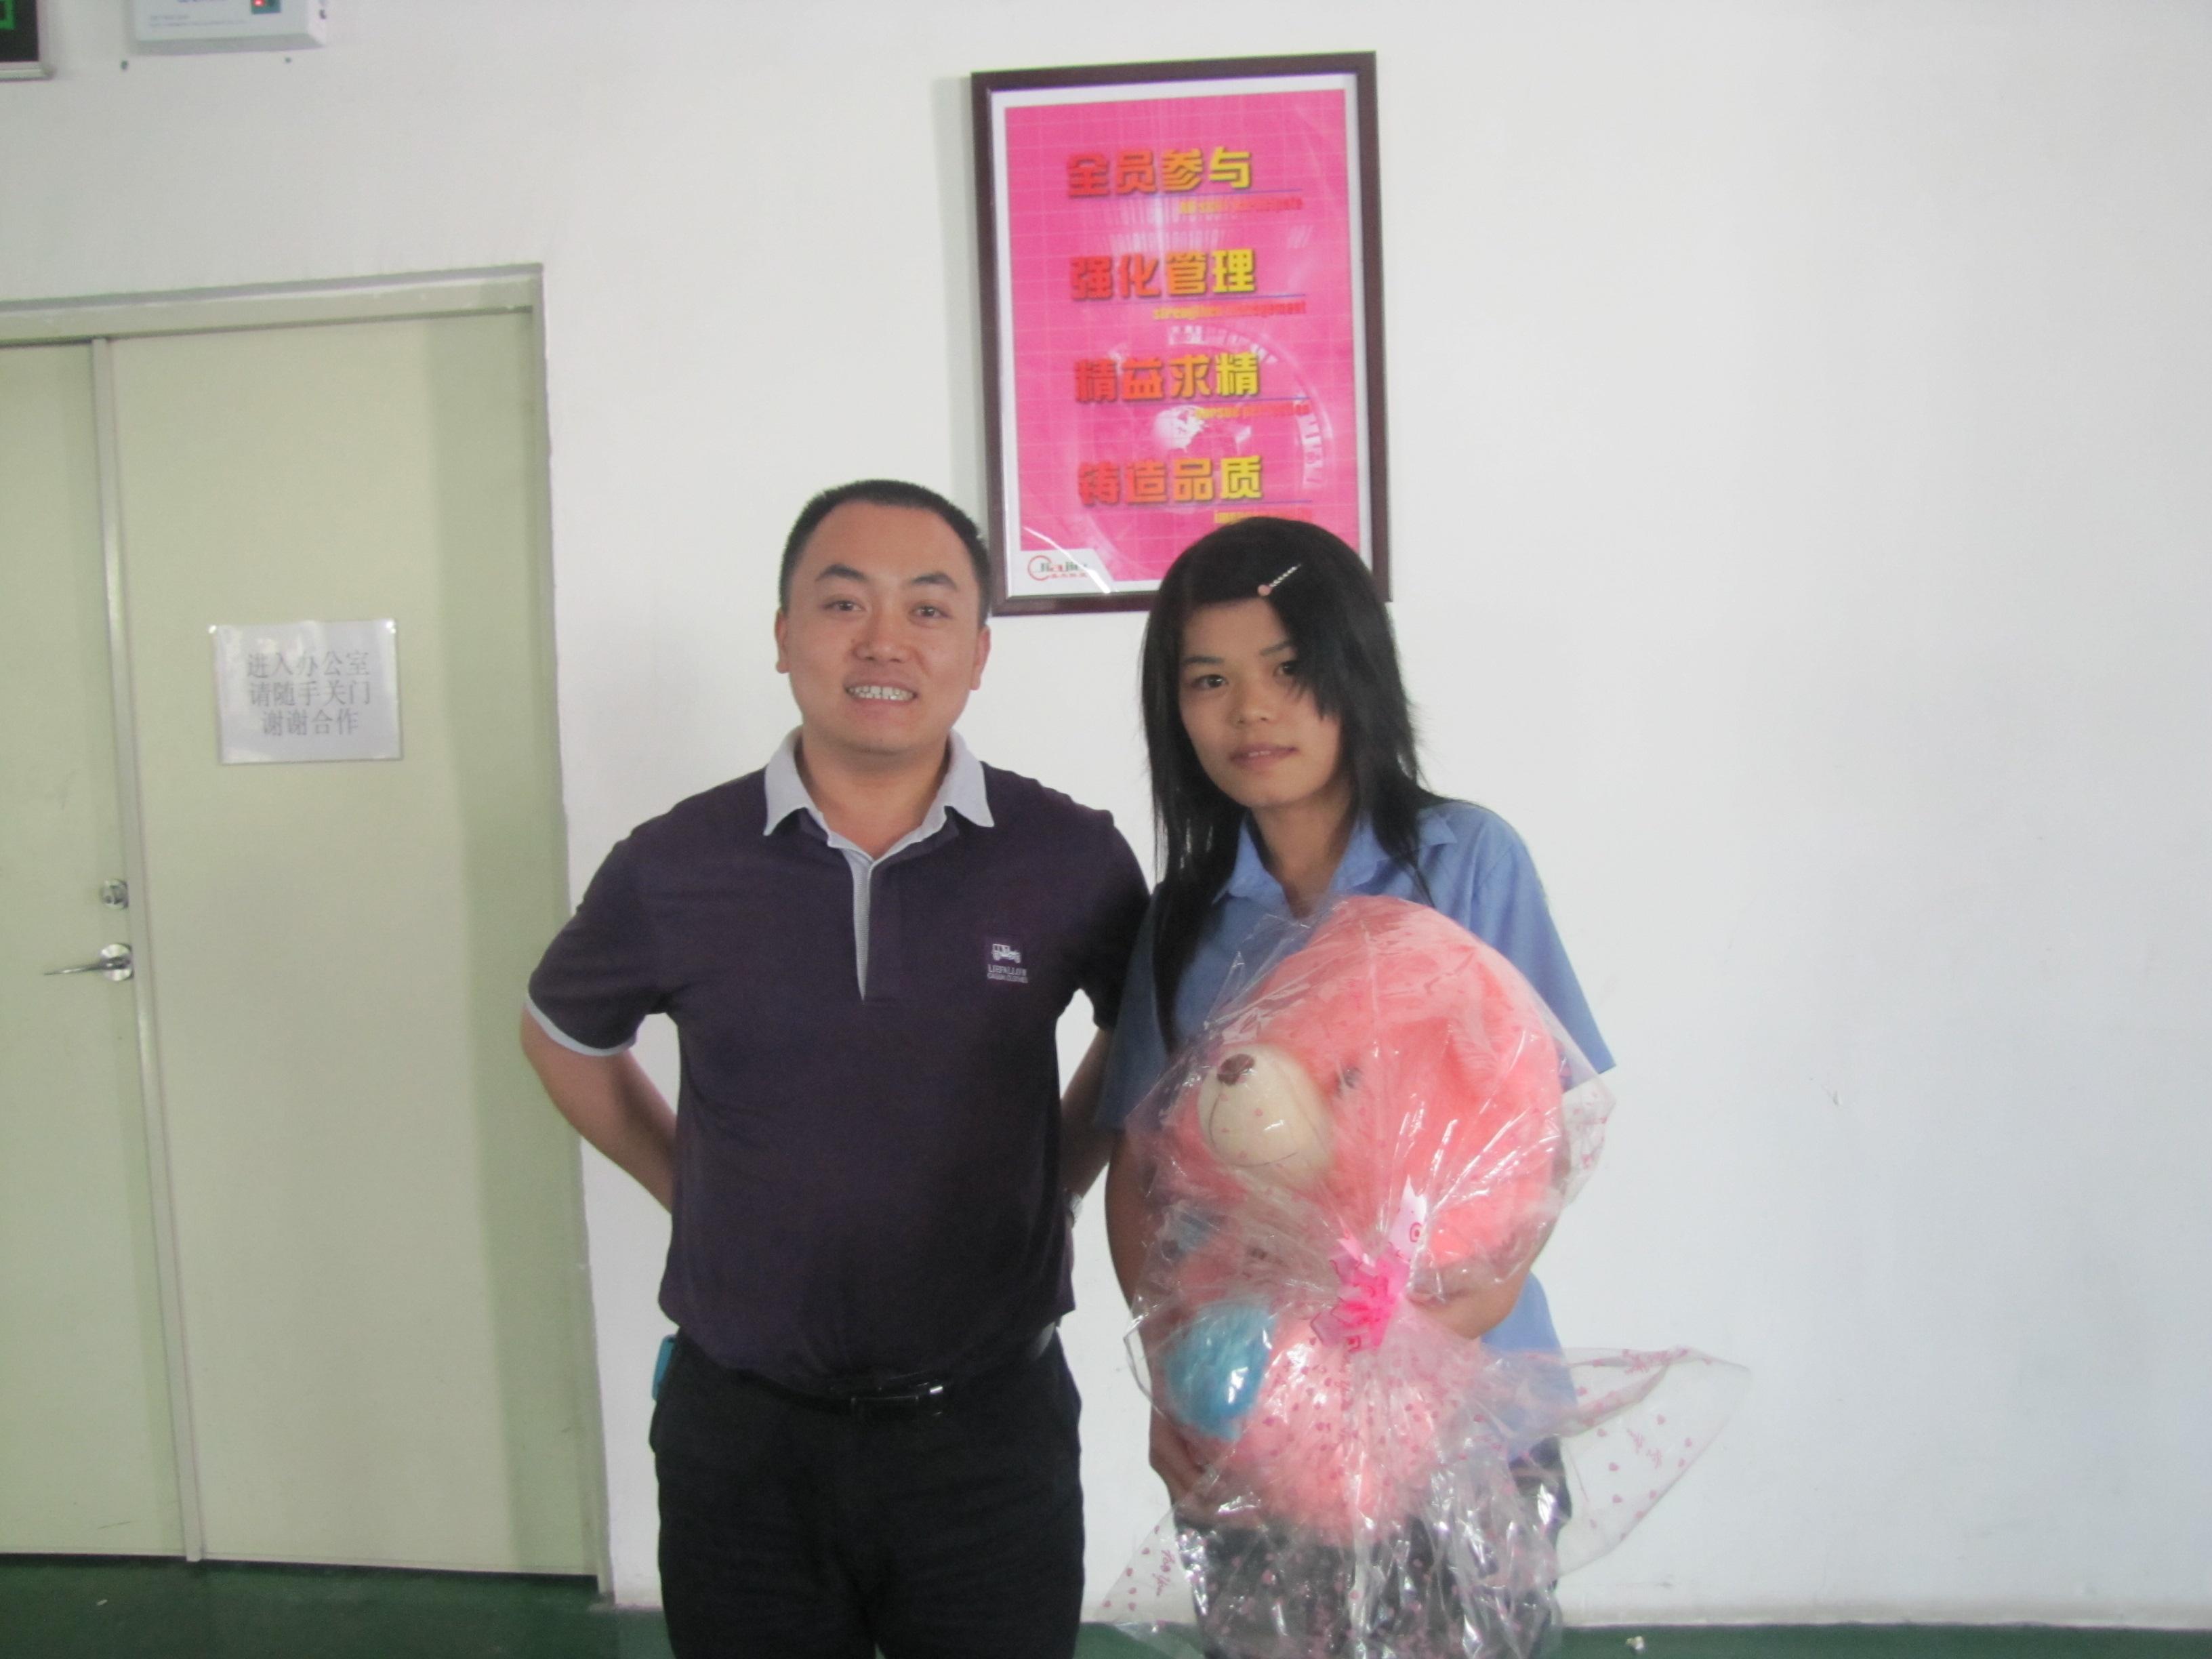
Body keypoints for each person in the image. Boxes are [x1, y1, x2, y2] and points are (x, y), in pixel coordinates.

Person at [521, 479, 1148, 1659]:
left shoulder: (1070, 857)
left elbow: (1144, 1042)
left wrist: (1053, 1177)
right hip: (742, 1439)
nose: (884, 642)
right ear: (783, 635)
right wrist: (688, 1182)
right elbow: (563, 1036)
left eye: (929, 609)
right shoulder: (674, 863)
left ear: (978, 653)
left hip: (988, 1435)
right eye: (844, 602)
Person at [1095, 515, 1614, 1653]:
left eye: (1288, 670)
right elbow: (1141, 1169)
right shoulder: (1184, 920)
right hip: (1260, 1416)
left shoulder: (1463, 862)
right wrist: (1173, 1372)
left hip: (1465, 1402)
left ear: (1354, 672)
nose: (1251, 711)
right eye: (1209, 680)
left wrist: (1474, 1300)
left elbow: (1546, 1122)